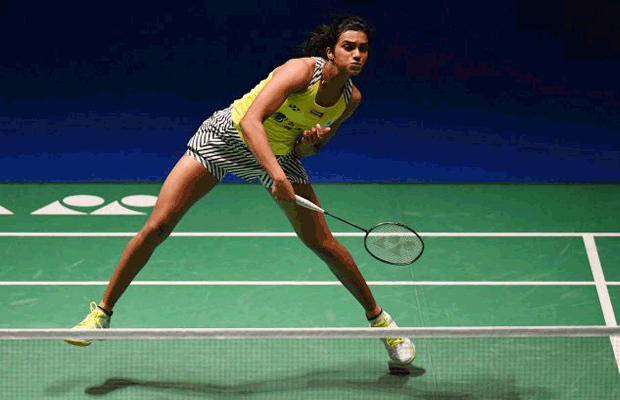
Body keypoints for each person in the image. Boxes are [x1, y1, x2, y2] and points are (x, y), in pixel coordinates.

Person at [66, 14, 415, 365]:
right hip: (225, 139)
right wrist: (277, 176)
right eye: (348, 47)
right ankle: (102, 314)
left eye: (363, 49)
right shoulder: (300, 72)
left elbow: (306, 151)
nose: (357, 55)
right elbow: (250, 121)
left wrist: (311, 142)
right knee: (158, 226)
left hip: (278, 155)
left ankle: (383, 324)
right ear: (330, 51)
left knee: (323, 243)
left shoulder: (349, 99)